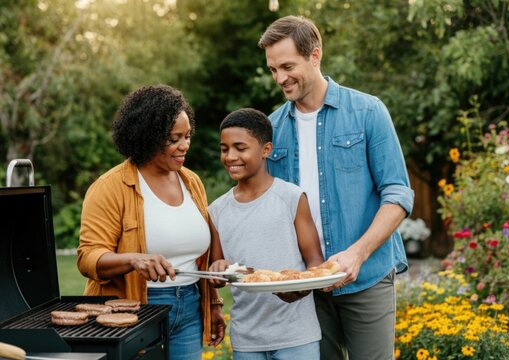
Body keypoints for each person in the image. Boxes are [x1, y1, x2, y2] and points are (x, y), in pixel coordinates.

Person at [258, 16, 415, 360]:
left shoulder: (368, 112)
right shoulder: (270, 129)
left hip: (368, 278)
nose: (280, 78)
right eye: (273, 69)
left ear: (315, 56)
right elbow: (269, 209)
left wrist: (357, 254)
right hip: (306, 287)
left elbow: (398, 194)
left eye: (287, 66)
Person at [76, 84, 225, 360]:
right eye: (173, 139)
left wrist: (214, 303)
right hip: (136, 308)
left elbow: (205, 249)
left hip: (190, 305)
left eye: (187, 136)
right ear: (147, 138)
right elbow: (88, 258)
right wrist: (135, 260)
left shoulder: (191, 181)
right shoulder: (110, 187)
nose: (184, 146)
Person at [208, 108, 325, 360]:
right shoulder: (217, 210)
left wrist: (301, 287)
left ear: (266, 150)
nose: (230, 156)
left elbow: (315, 260)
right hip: (247, 338)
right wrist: (217, 270)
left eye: (240, 147)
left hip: (296, 334)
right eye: (224, 148)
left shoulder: (291, 197)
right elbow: (217, 272)